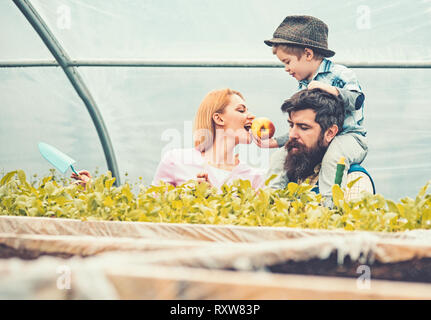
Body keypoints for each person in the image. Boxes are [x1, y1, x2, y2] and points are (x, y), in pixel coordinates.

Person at [256, 15, 368, 202]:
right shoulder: (304, 84)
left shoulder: (340, 74)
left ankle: (327, 206)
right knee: (278, 159)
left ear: (308, 54)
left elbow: (357, 100)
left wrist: (331, 90)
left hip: (350, 137)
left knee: (333, 159)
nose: (286, 68)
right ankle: (269, 204)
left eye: (287, 62)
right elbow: (304, 125)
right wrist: (276, 141)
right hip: (321, 138)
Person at [266, 88, 374, 205]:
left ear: (330, 133)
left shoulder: (354, 180)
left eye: (304, 127)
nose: (292, 135)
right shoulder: (290, 172)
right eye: (291, 125)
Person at [151, 88, 265, 190]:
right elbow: (153, 207)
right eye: (241, 110)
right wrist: (185, 197)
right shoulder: (175, 161)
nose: (252, 116)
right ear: (218, 119)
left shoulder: (255, 178)